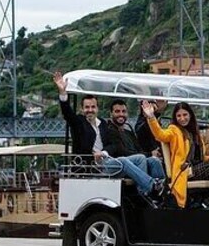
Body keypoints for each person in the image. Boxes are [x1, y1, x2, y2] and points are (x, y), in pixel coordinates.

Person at [53, 72, 164, 202]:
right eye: (87, 107)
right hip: (92, 166)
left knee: (145, 159)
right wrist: (62, 93)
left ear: (97, 109)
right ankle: (149, 187)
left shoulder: (103, 124)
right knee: (122, 160)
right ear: (82, 109)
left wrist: (104, 152)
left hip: (107, 161)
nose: (90, 110)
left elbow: (112, 145)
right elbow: (67, 114)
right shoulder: (79, 123)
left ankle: (159, 189)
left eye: (93, 107)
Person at [142, 101, 209, 208]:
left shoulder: (194, 133)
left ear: (190, 115)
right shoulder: (174, 130)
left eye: (185, 115)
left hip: (198, 167)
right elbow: (160, 135)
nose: (182, 118)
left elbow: (201, 157)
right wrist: (151, 117)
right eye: (179, 115)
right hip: (187, 172)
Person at [105, 98, 165, 182]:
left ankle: (162, 187)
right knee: (141, 158)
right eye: (117, 111)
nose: (121, 114)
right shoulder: (110, 130)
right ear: (111, 114)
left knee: (154, 161)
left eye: (123, 111)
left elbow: (138, 149)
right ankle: (145, 189)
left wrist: (152, 154)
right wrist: (149, 153)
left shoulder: (128, 131)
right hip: (122, 165)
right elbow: (122, 152)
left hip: (137, 161)